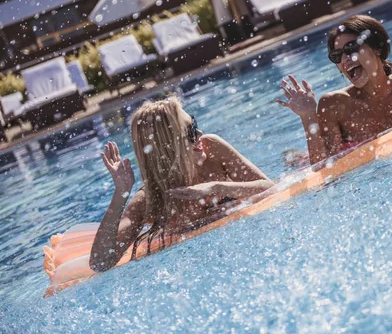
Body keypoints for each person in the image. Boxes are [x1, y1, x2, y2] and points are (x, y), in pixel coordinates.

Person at [90, 98, 273, 272]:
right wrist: (120, 193)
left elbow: (270, 188)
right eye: (191, 132)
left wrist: (216, 187)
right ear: (169, 146)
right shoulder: (150, 199)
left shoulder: (213, 150)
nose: (200, 134)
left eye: (195, 124)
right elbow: (101, 263)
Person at [277, 15, 392, 165]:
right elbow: (324, 169)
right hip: (315, 160)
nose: (345, 59)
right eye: (337, 55)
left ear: (377, 49)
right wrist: (308, 116)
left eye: (351, 48)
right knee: (294, 159)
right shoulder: (335, 104)